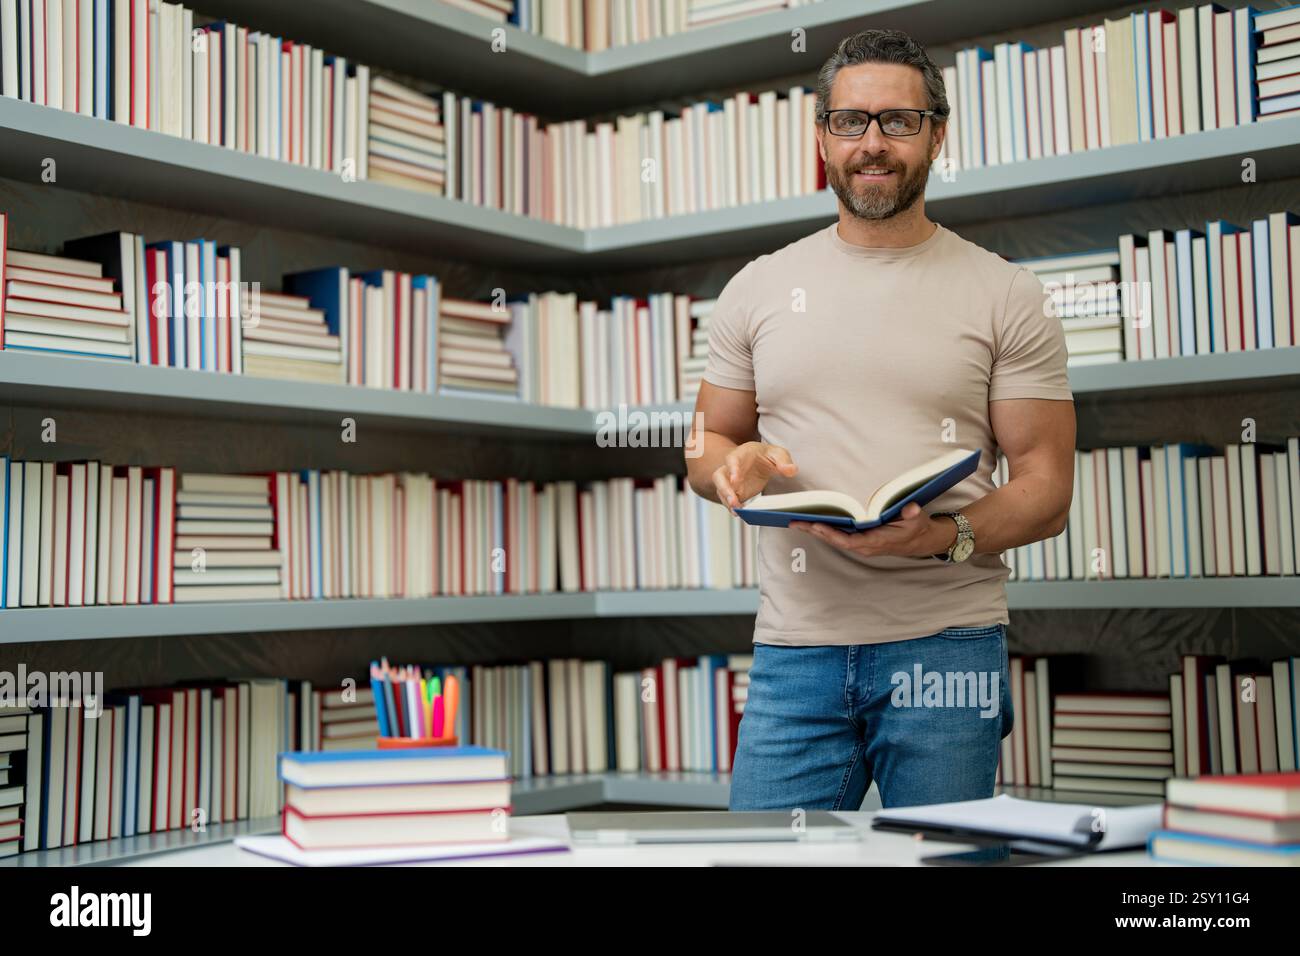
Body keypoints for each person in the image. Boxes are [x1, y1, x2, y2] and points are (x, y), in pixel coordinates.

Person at [684, 29, 1076, 811]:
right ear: (822, 134)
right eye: (850, 121)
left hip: (950, 646)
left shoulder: (1005, 294)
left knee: (945, 871)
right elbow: (707, 445)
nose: (873, 143)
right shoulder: (758, 288)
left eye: (898, 121)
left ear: (937, 132)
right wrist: (732, 467)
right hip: (795, 654)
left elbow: (1046, 486)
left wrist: (943, 538)